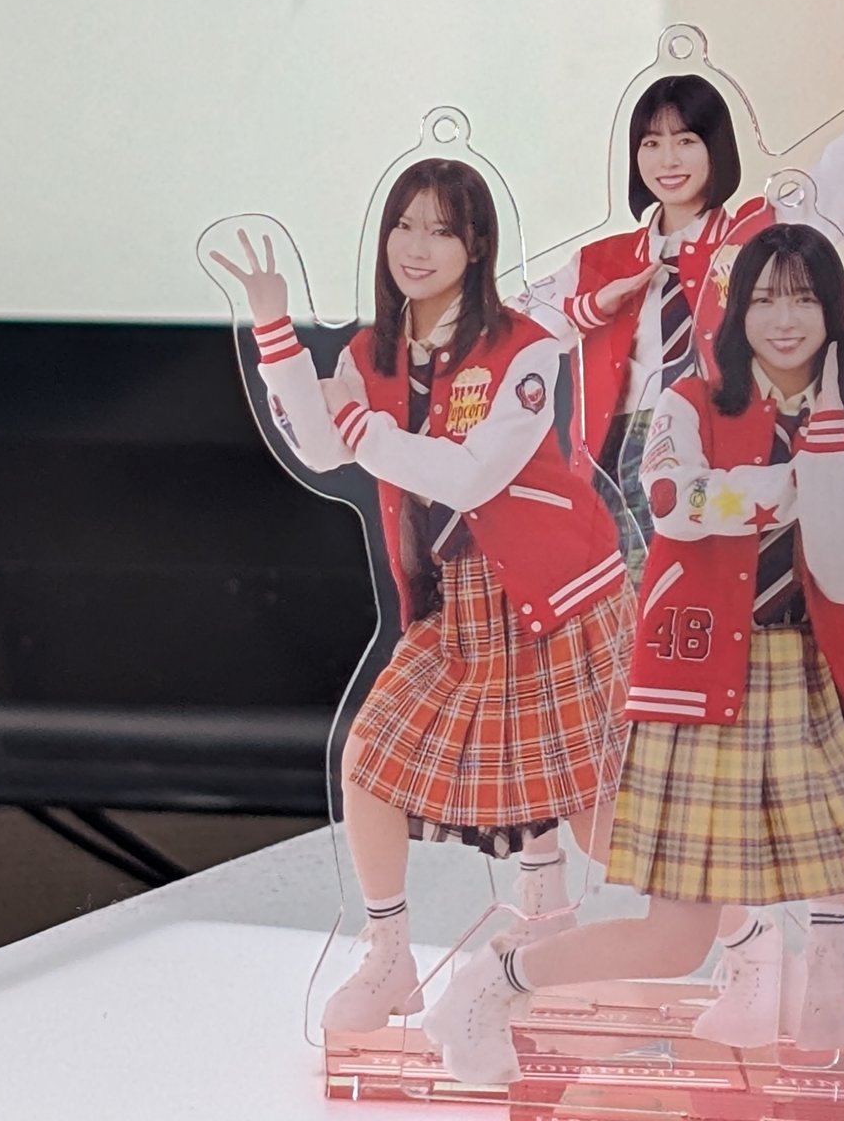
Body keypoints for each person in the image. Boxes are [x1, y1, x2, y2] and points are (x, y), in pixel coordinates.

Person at [497, 0, 844, 1033]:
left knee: (787, 716)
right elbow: (493, 330)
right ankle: (723, 941)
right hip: (635, 492)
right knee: (629, 731)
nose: (669, 159)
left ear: (718, 147)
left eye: (687, 139)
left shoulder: (769, 232)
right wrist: (579, 309)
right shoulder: (605, 262)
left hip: (766, 489)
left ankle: (809, 948)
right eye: (651, 142)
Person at [421, 223, 844, 1112]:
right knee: (676, 939)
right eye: (765, 299)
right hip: (699, 685)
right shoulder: (690, 403)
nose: (785, 319)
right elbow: (674, 503)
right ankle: (495, 983)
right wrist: (802, 484)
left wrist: (835, 458)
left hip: (810, 683)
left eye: (805, 299)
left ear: (833, 313)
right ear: (736, 312)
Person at [208, 158, 634, 1034]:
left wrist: (357, 422)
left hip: (552, 590)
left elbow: (470, 475)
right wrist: (273, 327)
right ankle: (390, 955)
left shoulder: (525, 346)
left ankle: (745, 934)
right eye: (405, 225)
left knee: (594, 806)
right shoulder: (372, 352)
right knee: (370, 760)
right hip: (456, 603)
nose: (417, 246)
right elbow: (321, 449)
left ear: (477, 245)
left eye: (442, 229)